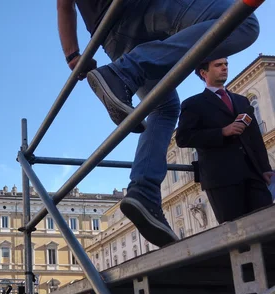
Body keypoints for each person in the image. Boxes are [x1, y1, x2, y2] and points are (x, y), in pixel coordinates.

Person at [57, 0, 260, 247]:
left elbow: (64, 5)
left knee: (163, 107)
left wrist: (73, 55)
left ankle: (144, 189)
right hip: (145, 6)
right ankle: (127, 70)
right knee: (243, 22)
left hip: (110, 33)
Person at [176, 58, 274, 223]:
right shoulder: (193, 104)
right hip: (221, 179)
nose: (224, 68)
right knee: (237, 233)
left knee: (267, 225)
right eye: (218, 65)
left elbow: (255, 138)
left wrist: (265, 168)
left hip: (254, 174)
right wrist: (222, 132)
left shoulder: (242, 101)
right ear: (203, 72)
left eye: (226, 64)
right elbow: (183, 138)